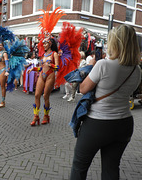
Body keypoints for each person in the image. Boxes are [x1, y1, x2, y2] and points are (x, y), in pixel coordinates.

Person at [70, 25, 141, 180]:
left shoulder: (103, 65)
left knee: (79, 166)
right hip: (124, 124)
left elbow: (83, 89)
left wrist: (84, 75)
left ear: (116, 43)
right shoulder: (137, 70)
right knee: (111, 168)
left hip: (98, 123)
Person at [28, 37, 59, 126]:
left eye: (46, 44)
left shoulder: (54, 54)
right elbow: (41, 68)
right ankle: (36, 116)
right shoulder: (43, 55)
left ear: (50, 44)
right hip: (42, 75)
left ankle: (46, 116)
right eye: (43, 44)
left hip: (50, 75)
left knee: (45, 96)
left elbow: (57, 67)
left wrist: (51, 65)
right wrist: (33, 69)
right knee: (37, 95)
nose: (44, 45)